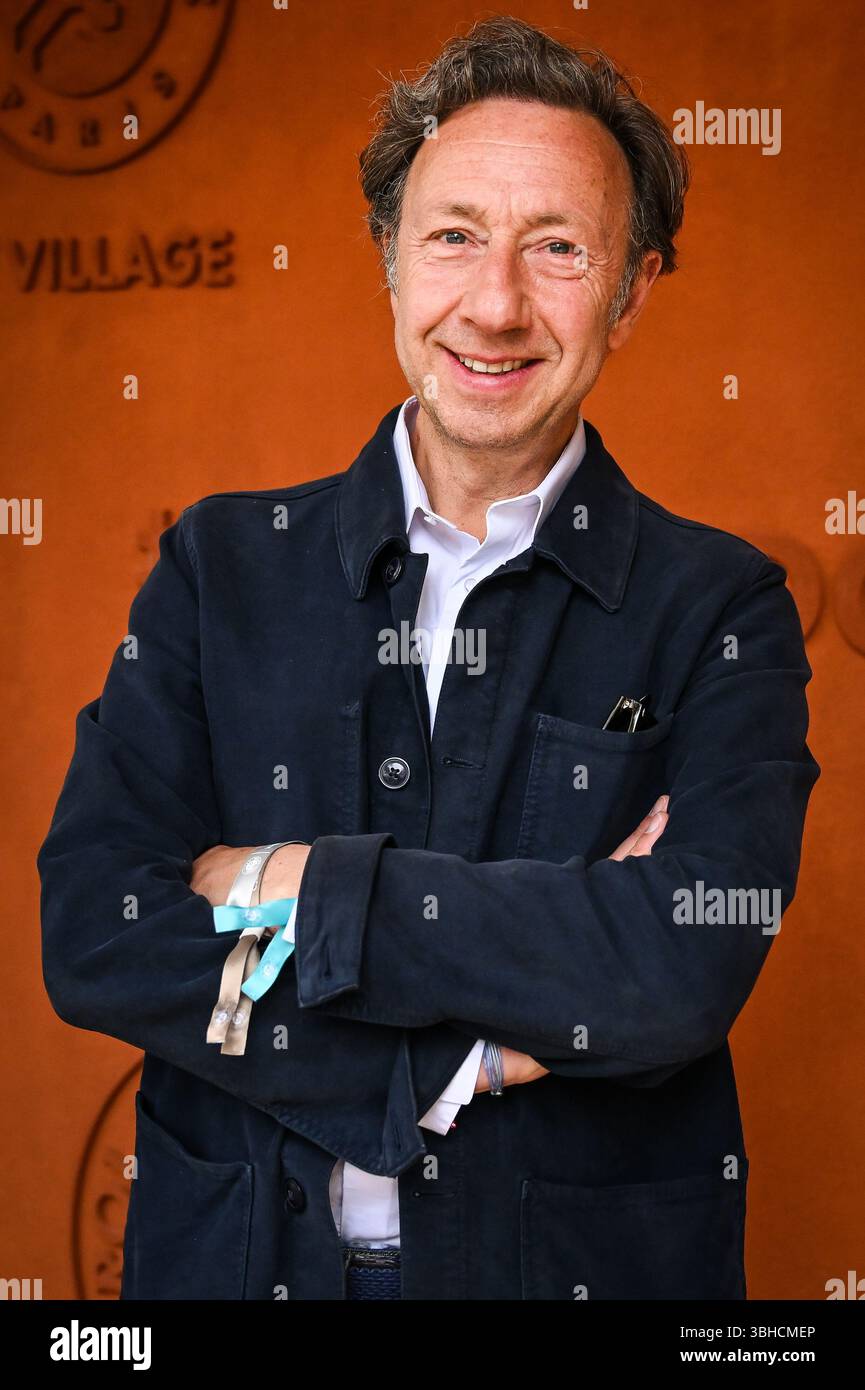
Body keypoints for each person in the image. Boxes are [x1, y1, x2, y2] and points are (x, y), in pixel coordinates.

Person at [38, 16, 820, 1300]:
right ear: (388, 262)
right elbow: (102, 929)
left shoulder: (721, 606)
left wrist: (293, 880)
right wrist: (455, 1062)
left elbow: (677, 965)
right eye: (453, 235)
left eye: (557, 249)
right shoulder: (217, 568)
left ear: (629, 292)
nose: (496, 303)